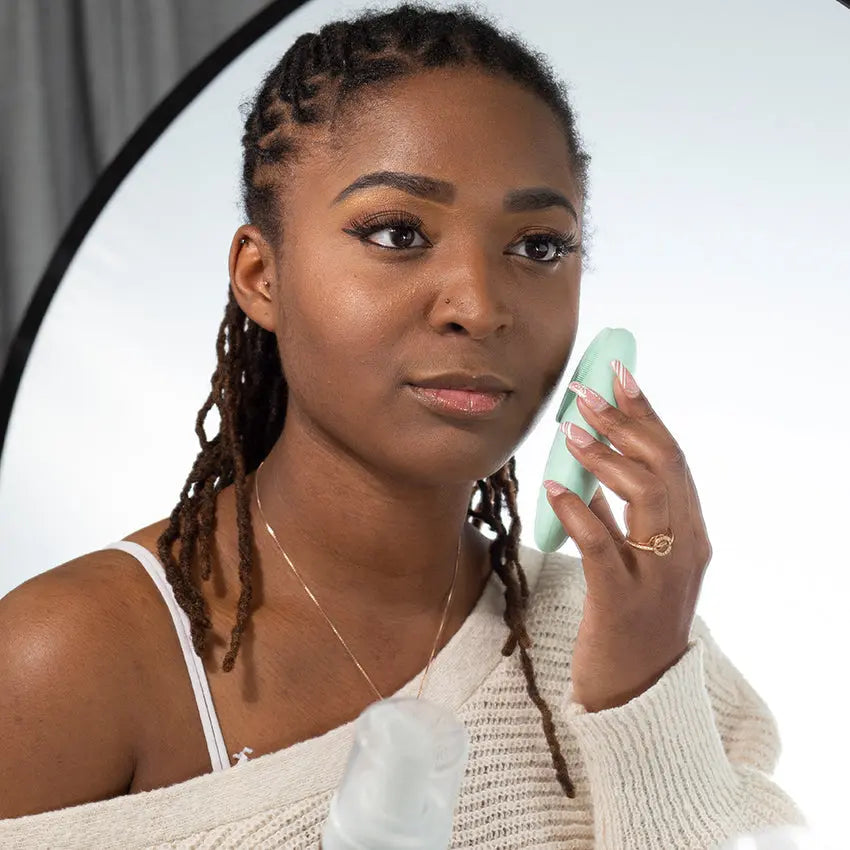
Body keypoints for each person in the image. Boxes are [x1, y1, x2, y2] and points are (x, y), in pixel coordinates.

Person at [0, 3, 806, 847]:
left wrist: (641, 697)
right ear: (260, 275)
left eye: (537, 247)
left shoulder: (626, 631)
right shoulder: (72, 661)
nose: (479, 306)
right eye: (397, 232)